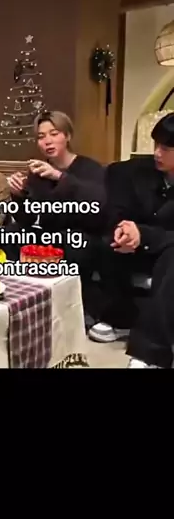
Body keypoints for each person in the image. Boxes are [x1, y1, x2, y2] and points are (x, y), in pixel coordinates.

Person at [88, 113, 174, 368]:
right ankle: (120, 318)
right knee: (109, 242)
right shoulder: (132, 172)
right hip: (136, 245)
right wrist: (124, 230)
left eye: (166, 148)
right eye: (156, 144)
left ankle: (152, 351)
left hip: (167, 248)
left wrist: (143, 235)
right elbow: (116, 211)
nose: (157, 153)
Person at [7, 111, 106, 324]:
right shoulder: (38, 172)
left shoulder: (90, 168)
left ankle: (79, 307)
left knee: (75, 243)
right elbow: (27, 219)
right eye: (41, 137)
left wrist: (59, 176)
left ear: (67, 136)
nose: (47, 141)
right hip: (49, 233)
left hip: (83, 234)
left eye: (54, 134)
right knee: (11, 233)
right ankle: (21, 298)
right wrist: (18, 195)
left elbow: (98, 205)